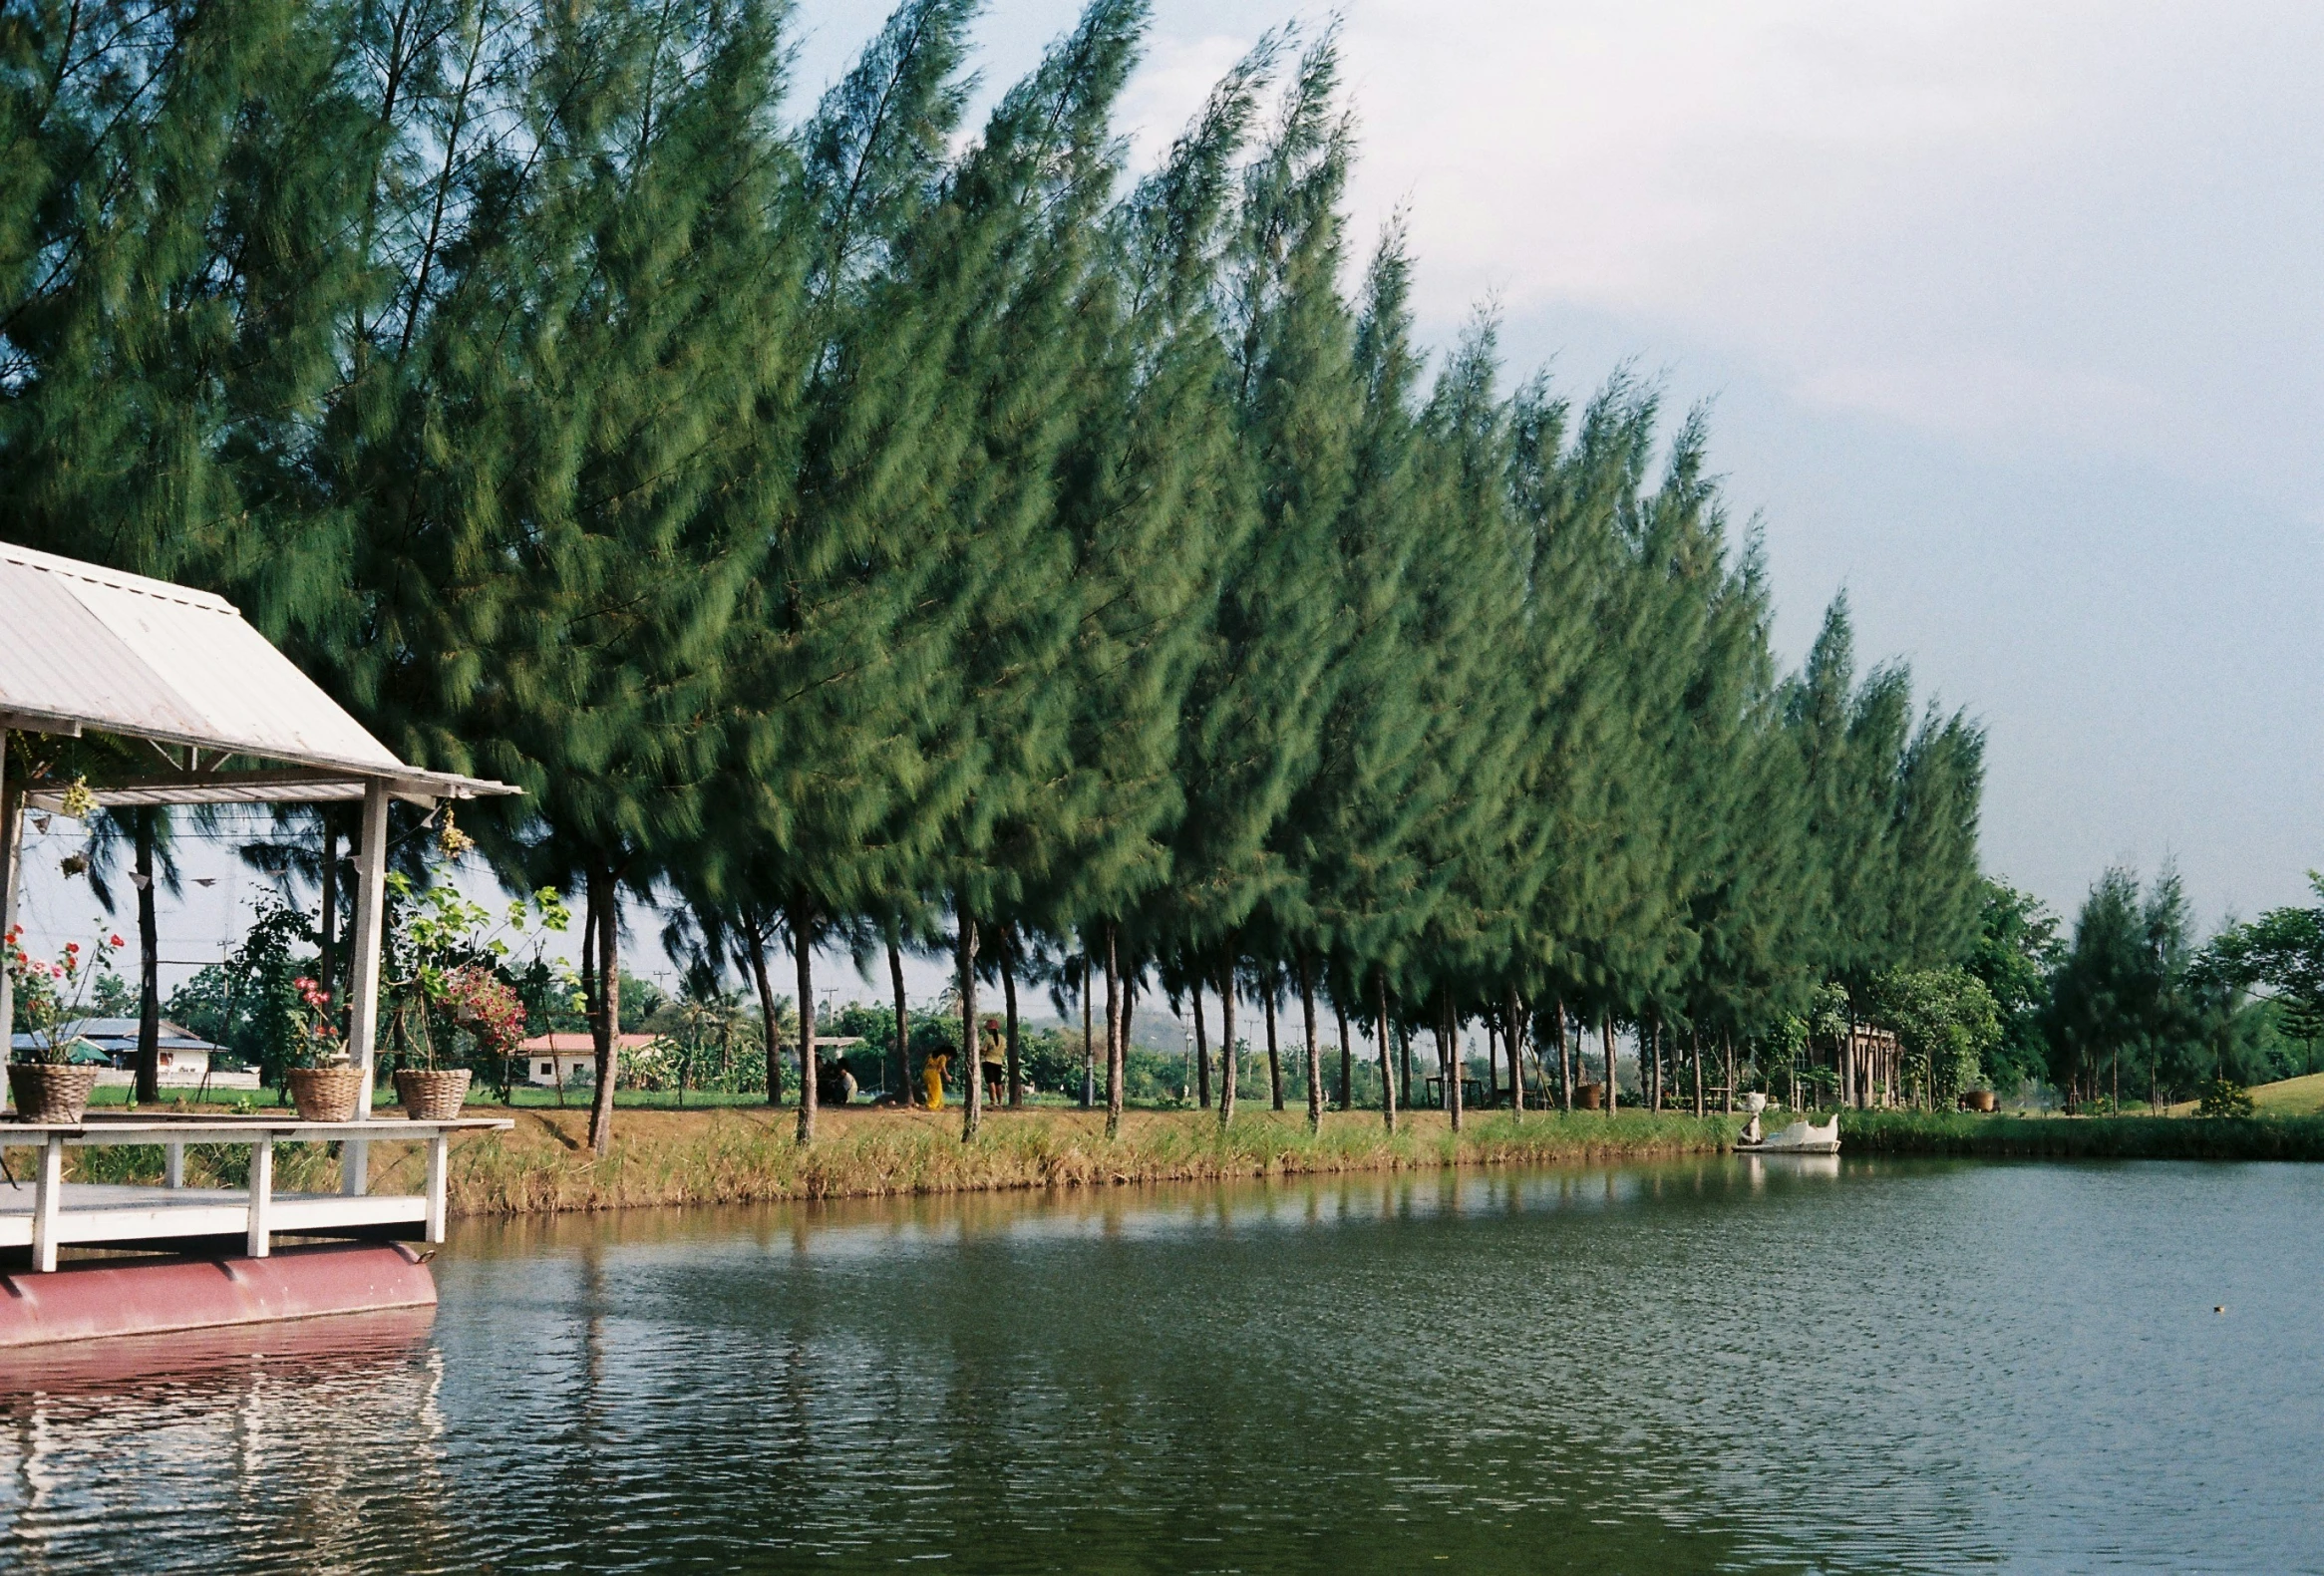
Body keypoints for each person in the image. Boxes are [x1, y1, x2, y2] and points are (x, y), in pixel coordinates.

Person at [980, 1018, 1006, 1104]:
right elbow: (1003, 1051)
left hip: (988, 1061)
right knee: (998, 1083)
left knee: (990, 1082)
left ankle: (992, 1101)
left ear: (989, 1028)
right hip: (999, 1062)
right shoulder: (1003, 1038)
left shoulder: (988, 1038)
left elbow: (983, 1051)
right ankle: (1000, 1101)